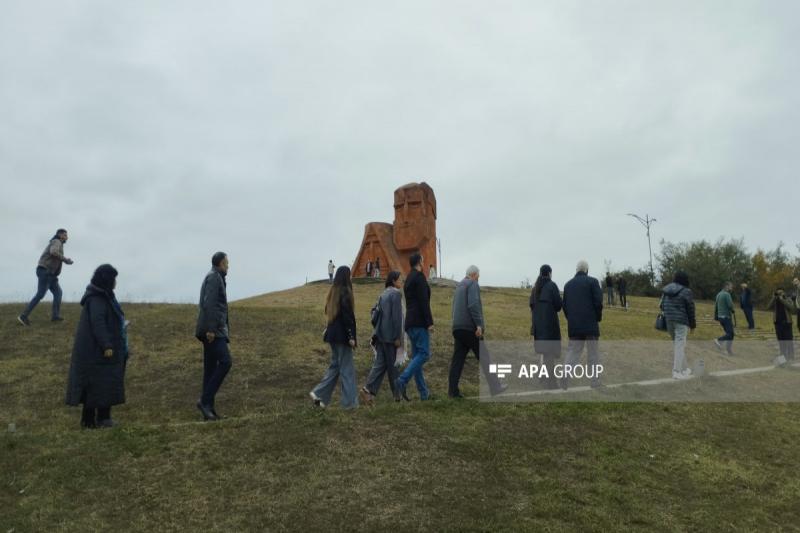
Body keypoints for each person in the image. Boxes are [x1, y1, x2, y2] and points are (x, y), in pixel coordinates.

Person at [65, 264, 128, 429]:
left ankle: (97, 420)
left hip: (99, 350)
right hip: (97, 351)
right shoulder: (97, 299)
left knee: (100, 385)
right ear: (107, 280)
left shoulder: (103, 297)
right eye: (114, 279)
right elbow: (98, 323)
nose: (116, 282)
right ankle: (95, 420)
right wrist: (107, 345)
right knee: (97, 385)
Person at [448, 265, 505, 398]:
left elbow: (453, 308)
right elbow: (473, 304)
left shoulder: (459, 286)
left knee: (458, 360)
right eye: (478, 276)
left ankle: (452, 391)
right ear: (474, 275)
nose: (478, 279)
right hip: (470, 329)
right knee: (485, 357)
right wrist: (479, 325)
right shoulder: (472, 284)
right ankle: (495, 387)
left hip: (458, 328)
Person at [310, 266, 358, 409]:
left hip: (333, 336)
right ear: (346, 276)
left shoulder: (333, 292)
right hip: (343, 337)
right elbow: (347, 316)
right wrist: (351, 336)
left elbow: (330, 313)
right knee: (347, 369)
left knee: (335, 367)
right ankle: (349, 404)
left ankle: (318, 395)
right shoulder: (345, 292)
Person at [195, 252, 233, 421]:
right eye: (226, 263)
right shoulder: (214, 278)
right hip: (212, 331)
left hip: (216, 331)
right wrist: (211, 329)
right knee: (226, 362)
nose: (228, 266)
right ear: (219, 263)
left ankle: (208, 408)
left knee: (210, 369)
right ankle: (204, 401)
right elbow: (209, 303)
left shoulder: (217, 277)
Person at [395, 252, 434, 401]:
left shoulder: (409, 278)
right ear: (419, 262)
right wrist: (429, 322)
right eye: (423, 260)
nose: (424, 262)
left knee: (417, 356)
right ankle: (402, 380)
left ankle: (424, 393)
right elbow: (424, 301)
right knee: (424, 354)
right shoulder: (419, 278)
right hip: (419, 322)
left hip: (410, 322)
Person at [360, 271, 404, 405]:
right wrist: (398, 337)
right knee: (393, 366)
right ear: (394, 281)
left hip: (380, 335)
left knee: (380, 364)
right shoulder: (396, 294)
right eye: (400, 279)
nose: (401, 281)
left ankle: (367, 390)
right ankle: (398, 396)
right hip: (391, 337)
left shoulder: (383, 294)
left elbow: (374, 312)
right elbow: (397, 318)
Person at [561, 260, 604, 389]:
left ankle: (565, 375)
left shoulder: (568, 285)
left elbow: (565, 306)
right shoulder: (593, 282)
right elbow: (598, 303)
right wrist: (597, 318)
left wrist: (571, 319)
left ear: (576, 270)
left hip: (574, 325)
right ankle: (595, 381)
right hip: (590, 324)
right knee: (593, 354)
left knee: (573, 352)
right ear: (587, 270)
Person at [18, 229, 74, 325]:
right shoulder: (57, 241)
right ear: (60, 235)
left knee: (58, 293)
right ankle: (23, 316)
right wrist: (65, 260)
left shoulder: (57, 242)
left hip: (50, 274)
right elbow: (53, 252)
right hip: (46, 272)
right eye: (65, 235)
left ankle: (55, 316)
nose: (67, 237)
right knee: (40, 294)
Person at [530, 264, 562, 390]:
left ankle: (543, 377)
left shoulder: (535, 289)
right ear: (549, 273)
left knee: (545, 353)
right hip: (550, 325)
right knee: (549, 355)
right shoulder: (552, 286)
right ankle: (552, 384)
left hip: (538, 326)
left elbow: (531, 306)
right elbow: (559, 306)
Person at [660, 271, 697, 379]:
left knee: (678, 345)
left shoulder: (666, 289)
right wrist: (693, 325)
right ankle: (676, 372)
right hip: (681, 321)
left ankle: (685, 369)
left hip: (669, 319)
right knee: (680, 345)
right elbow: (690, 309)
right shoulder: (686, 291)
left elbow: (661, 305)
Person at [768, 288, 796, 364]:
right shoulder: (775, 300)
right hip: (778, 323)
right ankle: (783, 357)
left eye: (781, 292)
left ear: (784, 293)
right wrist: (774, 297)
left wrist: (782, 299)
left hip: (787, 323)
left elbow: (792, 308)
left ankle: (790, 357)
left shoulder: (788, 299)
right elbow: (768, 307)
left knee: (788, 340)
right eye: (778, 293)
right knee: (781, 341)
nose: (779, 294)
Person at [714, 282, 735, 355]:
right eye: (730, 286)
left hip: (720, 317)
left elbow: (716, 306)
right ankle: (719, 340)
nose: (731, 288)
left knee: (730, 333)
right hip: (726, 316)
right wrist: (732, 309)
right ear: (726, 286)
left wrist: (716, 316)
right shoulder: (727, 294)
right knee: (730, 333)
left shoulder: (718, 294)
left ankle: (729, 351)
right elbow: (730, 305)